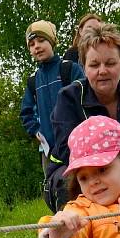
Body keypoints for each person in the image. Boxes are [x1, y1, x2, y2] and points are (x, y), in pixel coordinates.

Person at [50, 24, 120, 212]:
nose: (102, 71)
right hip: (79, 176)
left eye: (110, 63)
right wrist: (107, 174)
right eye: (94, 65)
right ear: (84, 68)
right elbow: (67, 152)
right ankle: (78, 232)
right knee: (66, 183)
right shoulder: (68, 98)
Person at [19, 20, 85, 178]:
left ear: (52, 41)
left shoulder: (70, 69)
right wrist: (36, 132)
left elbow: (85, 100)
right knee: (54, 190)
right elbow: (26, 113)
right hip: (49, 151)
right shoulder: (33, 81)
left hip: (77, 145)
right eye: (32, 44)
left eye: (41, 40)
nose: (37, 46)